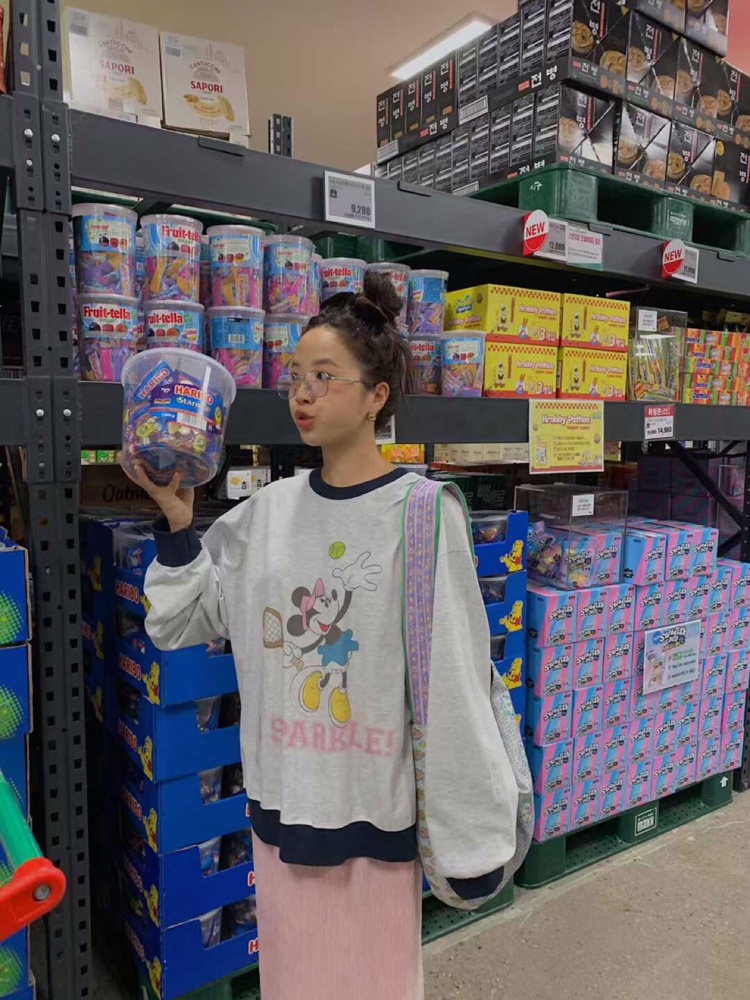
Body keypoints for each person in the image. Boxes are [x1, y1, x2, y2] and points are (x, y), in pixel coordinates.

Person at [127, 272, 517, 1000]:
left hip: (373, 821)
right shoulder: (266, 514)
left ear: (376, 396)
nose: (302, 394)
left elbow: (456, 681)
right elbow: (182, 620)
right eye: (296, 377)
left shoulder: (422, 514)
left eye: (325, 377)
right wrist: (178, 522)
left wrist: (473, 831)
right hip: (282, 815)